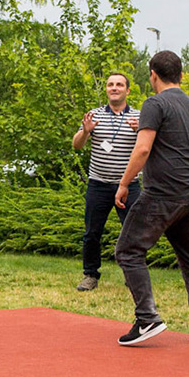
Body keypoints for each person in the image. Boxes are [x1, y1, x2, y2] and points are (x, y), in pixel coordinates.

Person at [110, 50, 189, 347]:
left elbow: (143, 149)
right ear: (181, 75)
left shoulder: (154, 104)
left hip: (163, 194)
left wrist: (123, 184)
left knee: (128, 251)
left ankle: (147, 318)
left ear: (153, 75)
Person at [70, 71, 139, 292]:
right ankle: (90, 275)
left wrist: (140, 131)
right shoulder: (94, 115)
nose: (114, 88)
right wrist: (86, 132)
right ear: (107, 89)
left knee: (133, 233)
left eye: (119, 84)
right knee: (92, 233)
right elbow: (76, 145)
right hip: (98, 184)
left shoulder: (140, 116)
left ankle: (133, 277)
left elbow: (150, 148)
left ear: (127, 90)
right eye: (110, 84)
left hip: (128, 186)